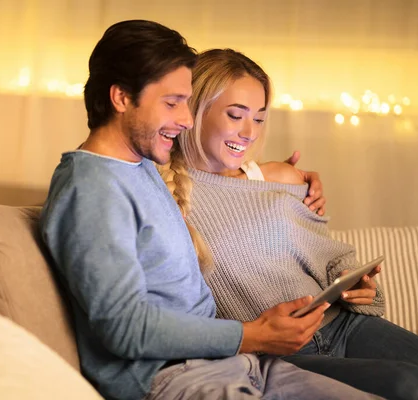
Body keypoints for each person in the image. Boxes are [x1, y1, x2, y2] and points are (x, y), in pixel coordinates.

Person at [39, 20, 385, 400]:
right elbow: (124, 327)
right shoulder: (92, 189)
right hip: (177, 376)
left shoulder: (139, 168)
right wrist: (252, 334)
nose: (186, 120)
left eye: (186, 103)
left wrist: (278, 180)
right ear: (121, 98)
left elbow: (210, 183)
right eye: (172, 103)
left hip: (230, 361)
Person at [161, 48, 418, 400]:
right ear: (196, 112)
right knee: (410, 386)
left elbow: (328, 255)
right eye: (236, 115)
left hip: (344, 324)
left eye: (260, 118)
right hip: (278, 353)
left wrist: (358, 282)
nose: (249, 132)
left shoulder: (278, 176)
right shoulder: (163, 195)